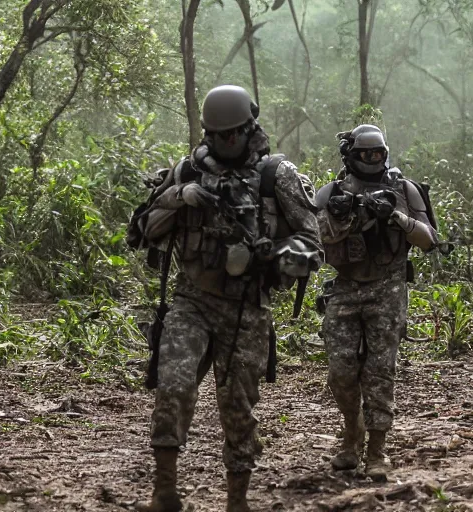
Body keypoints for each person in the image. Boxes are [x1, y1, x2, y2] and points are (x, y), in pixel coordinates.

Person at [132, 85, 322, 512]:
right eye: (219, 135)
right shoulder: (187, 172)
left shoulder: (278, 176)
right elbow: (143, 230)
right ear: (207, 133)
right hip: (192, 299)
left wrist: (267, 254)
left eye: (235, 133)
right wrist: (179, 198)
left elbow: (313, 243)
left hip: (247, 308)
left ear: (249, 128)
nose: (228, 142)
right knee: (173, 386)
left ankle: (238, 500)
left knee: (237, 404)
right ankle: (164, 493)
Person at [314, 124, 437, 481]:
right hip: (346, 287)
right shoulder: (332, 192)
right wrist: (337, 216)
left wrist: (395, 216)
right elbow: (311, 239)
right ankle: (352, 433)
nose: (372, 161)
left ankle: (377, 450)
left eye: (378, 154)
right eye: (364, 155)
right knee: (341, 370)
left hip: (388, 287)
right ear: (349, 157)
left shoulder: (405, 189)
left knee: (381, 371)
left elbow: (429, 240)